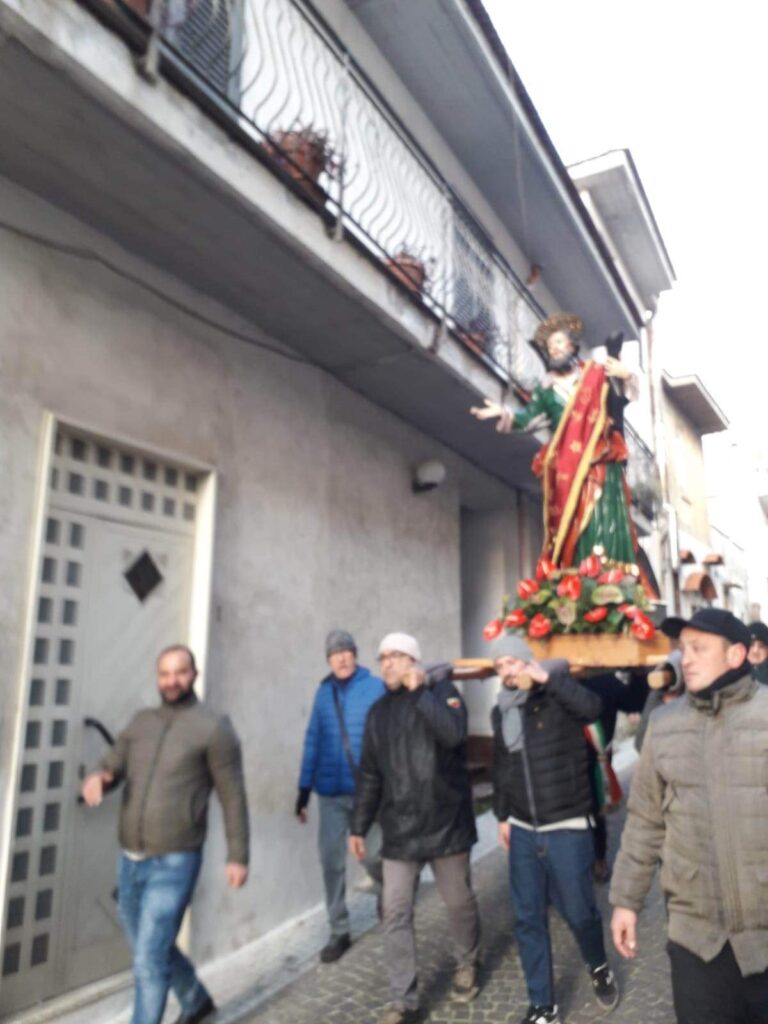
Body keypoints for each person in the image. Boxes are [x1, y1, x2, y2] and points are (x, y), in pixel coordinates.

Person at [610, 608, 768, 1023]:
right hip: (697, 938)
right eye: (683, 649)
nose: (687, 659)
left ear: (737, 655)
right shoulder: (663, 725)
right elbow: (644, 820)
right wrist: (626, 900)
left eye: (699, 648)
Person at [81, 645, 249, 1024]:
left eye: (179, 672)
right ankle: (195, 1000)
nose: (171, 680)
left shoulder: (213, 727)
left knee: (147, 959)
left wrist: (238, 854)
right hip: (130, 858)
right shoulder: (142, 722)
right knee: (149, 947)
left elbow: (233, 795)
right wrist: (100, 777)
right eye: (164, 673)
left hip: (175, 861)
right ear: (158, 677)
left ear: (194, 674)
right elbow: (114, 763)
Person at [349, 632, 480, 1024]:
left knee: (458, 902)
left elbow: (454, 735)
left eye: (396, 656)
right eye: (383, 657)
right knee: (395, 911)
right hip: (400, 829)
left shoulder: (443, 694)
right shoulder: (378, 713)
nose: (386, 663)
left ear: (414, 661)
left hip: (446, 821)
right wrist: (358, 825)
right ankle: (403, 999)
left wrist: (423, 693)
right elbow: (370, 775)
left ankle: (467, 961)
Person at [490, 634, 619, 1024]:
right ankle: (543, 1006)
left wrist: (548, 680)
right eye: (500, 666)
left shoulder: (560, 695)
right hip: (524, 827)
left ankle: (598, 966)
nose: (507, 671)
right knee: (528, 916)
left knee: (580, 912)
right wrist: (502, 815)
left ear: (528, 662)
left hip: (567, 824)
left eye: (513, 662)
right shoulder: (501, 711)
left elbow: (592, 707)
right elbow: (502, 766)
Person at [471, 312, 647, 576]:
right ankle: (575, 572)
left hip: (599, 459)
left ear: (573, 347)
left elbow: (625, 397)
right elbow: (527, 419)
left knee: (600, 514)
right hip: (565, 466)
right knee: (569, 521)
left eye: (559, 344)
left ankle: (605, 571)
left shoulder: (596, 374)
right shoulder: (546, 391)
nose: (554, 350)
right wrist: (504, 414)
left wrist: (626, 375)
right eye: (550, 347)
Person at [295, 629, 385, 962]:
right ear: (328, 660)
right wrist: (303, 791)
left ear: (355, 654)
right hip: (330, 794)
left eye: (347, 651)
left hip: (367, 792)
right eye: (335, 653)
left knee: (374, 854)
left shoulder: (374, 687)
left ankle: (387, 894)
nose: (342, 657)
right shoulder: (323, 694)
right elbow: (312, 741)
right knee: (331, 860)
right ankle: (339, 930)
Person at [578, 671, 649, 883]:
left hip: (596, 756)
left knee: (595, 808)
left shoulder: (605, 680)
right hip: (563, 756)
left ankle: (599, 856)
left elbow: (634, 701)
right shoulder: (553, 678)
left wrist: (637, 672)